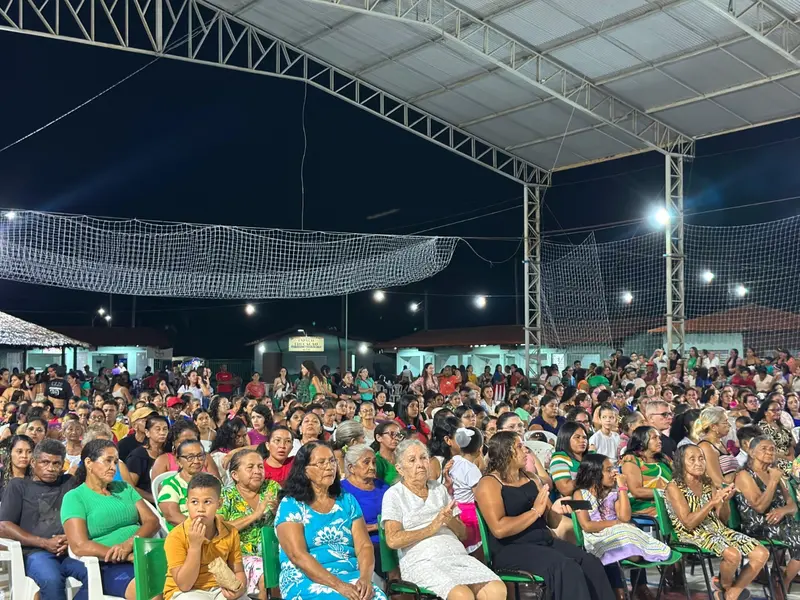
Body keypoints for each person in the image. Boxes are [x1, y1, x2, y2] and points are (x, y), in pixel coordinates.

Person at [474, 431, 615, 600]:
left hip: (542, 541)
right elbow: (499, 529)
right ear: (504, 451)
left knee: (591, 562)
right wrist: (535, 512)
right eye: (519, 446)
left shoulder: (532, 478)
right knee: (566, 568)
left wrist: (556, 510)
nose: (525, 450)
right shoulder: (489, 483)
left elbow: (551, 522)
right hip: (510, 548)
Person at [381, 439, 504, 600]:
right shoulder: (394, 494)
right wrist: (432, 527)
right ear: (399, 468)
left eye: (424, 457)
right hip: (422, 561)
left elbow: (463, 534)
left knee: (496, 589)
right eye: (412, 460)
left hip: (457, 556)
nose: (420, 464)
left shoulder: (438, 489)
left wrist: (449, 521)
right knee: (462, 595)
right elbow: (393, 540)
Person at [274, 441, 388, 600]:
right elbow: (297, 555)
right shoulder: (291, 505)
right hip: (304, 579)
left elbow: (364, 545)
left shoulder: (347, 500)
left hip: (349, 575)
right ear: (305, 470)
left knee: (376, 597)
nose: (329, 467)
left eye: (332, 461)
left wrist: (365, 579)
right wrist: (339, 586)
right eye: (321, 463)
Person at [61, 439, 160, 600]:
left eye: (115, 461)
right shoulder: (75, 497)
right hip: (108, 565)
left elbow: (152, 521)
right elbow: (79, 545)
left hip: (143, 554)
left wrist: (129, 545)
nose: (113, 467)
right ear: (89, 463)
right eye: (107, 461)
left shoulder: (125, 488)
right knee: (151, 592)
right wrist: (124, 555)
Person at [665, 445, 768, 600]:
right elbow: (688, 523)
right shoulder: (674, 487)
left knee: (762, 554)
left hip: (716, 529)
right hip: (691, 534)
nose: (698, 463)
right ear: (681, 463)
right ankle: (726, 588)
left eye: (701, 458)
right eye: (692, 459)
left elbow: (723, 519)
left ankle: (731, 593)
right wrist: (712, 502)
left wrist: (725, 502)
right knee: (733, 555)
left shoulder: (708, 483)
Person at [0, 439, 89, 600]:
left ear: (63, 465)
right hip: (36, 552)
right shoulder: (19, 486)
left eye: (56, 463)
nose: (50, 468)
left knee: (97, 573)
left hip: (70, 550)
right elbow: (5, 526)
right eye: (45, 462)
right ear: (33, 462)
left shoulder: (68, 482)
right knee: (51, 580)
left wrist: (70, 539)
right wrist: (44, 543)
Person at [574, 454, 671, 600]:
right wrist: (615, 524)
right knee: (617, 539)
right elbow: (587, 525)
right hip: (596, 536)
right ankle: (619, 590)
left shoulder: (614, 493)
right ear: (594, 473)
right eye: (608, 470)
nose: (613, 472)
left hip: (618, 531)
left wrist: (622, 488)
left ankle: (637, 572)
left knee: (627, 530)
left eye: (612, 468)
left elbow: (624, 517)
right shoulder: (579, 494)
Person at [162, 473, 247, 600]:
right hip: (185, 592)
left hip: (219, 589)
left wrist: (239, 589)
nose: (200, 509)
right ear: (187, 504)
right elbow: (184, 585)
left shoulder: (230, 532)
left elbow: (238, 571)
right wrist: (195, 546)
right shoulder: (176, 536)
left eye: (207, 502)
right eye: (194, 502)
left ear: (219, 504)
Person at [734, 436, 800, 590]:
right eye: (764, 449)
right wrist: (772, 481)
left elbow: (792, 505)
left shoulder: (774, 473)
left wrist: (782, 510)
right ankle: (781, 584)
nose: (770, 452)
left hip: (780, 522)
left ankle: (781, 579)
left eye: (772, 449)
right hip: (758, 525)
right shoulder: (744, 475)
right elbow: (760, 507)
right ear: (751, 452)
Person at [219, 449, 279, 599]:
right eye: (250, 467)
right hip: (241, 557)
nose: (257, 471)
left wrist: (279, 510)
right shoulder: (226, 495)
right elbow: (220, 528)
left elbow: (289, 519)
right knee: (264, 572)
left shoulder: (272, 488)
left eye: (260, 466)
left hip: (275, 551)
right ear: (235, 475)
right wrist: (255, 515)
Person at [340, 444, 390, 576]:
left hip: (390, 537)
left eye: (374, 462)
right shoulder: (342, 491)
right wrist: (376, 526)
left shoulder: (383, 486)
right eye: (366, 463)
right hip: (364, 544)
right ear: (351, 468)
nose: (372, 467)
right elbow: (342, 525)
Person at [620, 426, 673, 517]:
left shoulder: (663, 458)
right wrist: (666, 493)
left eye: (659, 438)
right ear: (642, 442)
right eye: (654, 438)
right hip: (646, 507)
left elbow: (679, 477)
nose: (659, 441)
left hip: (670, 502)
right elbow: (636, 491)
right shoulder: (631, 459)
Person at [158, 440, 210, 528]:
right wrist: (203, 528)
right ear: (178, 461)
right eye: (190, 457)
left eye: (200, 456)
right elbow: (172, 516)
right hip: (184, 534)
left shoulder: (211, 481)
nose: (196, 461)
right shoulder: (171, 485)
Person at [125, 414, 169, 502]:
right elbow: (130, 487)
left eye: (165, 429)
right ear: (147, 432)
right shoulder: (137, 456)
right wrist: (154, 499)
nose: (162, 432)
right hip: (145, 502)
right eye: (158, 429)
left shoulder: (168, 453)